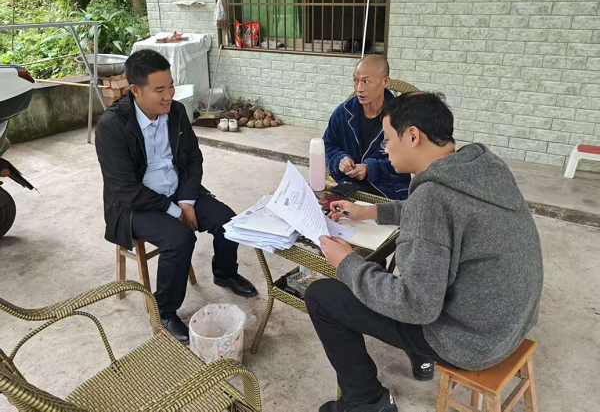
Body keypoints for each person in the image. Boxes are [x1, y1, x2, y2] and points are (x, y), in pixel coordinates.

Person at [306, 92, 544, 412]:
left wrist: (347, 263)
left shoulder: (432, 197)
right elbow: (440, 213)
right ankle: (416, 358)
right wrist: (369, 212)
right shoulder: (482, 168)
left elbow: (417, 305)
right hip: (511, 324)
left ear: (412, 136)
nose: (384, 148)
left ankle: (366, 402)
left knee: (322, 296)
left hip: (469, 342)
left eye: (388, 139)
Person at [95, 49, 257, 344]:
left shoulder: (176, 112)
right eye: (159, 90)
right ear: (135, 90)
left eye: (171, 86)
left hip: (177, 192)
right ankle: (165, 312)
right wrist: (174, 211)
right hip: (134, 206)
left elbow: (193, 159)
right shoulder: (112, 126)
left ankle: (224, 273)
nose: (168, 95)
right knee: (180, 239)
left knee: (227, 220)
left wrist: (186, 200)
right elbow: (124, 188)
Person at [323, 55, 411, 200]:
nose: (359, 88)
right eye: (355, 80)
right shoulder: (343, 113)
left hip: (388, 191)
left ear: (385, 81)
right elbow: (328, 144)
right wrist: (340, 159)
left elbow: (408, 159)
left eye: (366, 81)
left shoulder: (402, 117)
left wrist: (371, 169)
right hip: (348, 186)